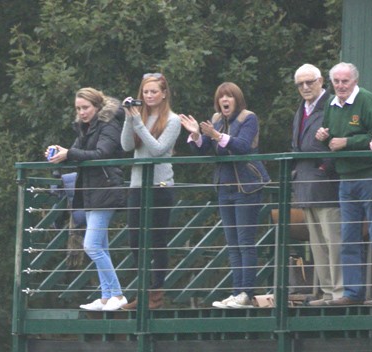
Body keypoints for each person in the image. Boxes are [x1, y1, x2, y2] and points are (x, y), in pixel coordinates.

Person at [317, 62, 372, 306]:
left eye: (345, 81)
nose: (340, 85)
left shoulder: (366, 99)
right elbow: (332, 139)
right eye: (336, 81)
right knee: (349, 237)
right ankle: (353, 293)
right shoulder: (331, 104)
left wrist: (347, 142)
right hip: (346, 177)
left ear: (355, 81)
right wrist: (324, 138)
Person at [181, 82, 270, 309]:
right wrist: (196, 135)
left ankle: (246, 293)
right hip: (225, 187)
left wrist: (216, 135)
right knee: (232, 243)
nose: (224, 100)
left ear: (237, 99)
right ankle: (236, 292)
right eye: (221, 97)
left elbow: (242, 146)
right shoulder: (217, 119)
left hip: (246, 187)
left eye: (229, 96)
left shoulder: (249, 118)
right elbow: (204, 149)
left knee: (245, 241)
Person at [47, 88, 128, 311]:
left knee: (91, 246)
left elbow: (101, 154)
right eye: (78, 109)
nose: (82, 112)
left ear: (97, 106)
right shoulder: (86, 127)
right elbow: (76, 152)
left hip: (106, 190)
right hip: (91, 192)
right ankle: (106, 296)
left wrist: (69, 153)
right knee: (101, 246)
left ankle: (118, 294)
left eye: (86, 108)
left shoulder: (109, 124)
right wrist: (59, 153)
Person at [120, 73, 182, 310]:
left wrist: (138, 123)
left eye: (154, 91)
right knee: (135, 240)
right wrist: (129, 119)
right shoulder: (140, 117)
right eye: (145, 92)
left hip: (160, 186)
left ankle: (156, 292)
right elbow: (126, 145)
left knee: (157, 239)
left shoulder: (173, 120)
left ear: (164, 93)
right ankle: (143, 290)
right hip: (137, 185)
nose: (149, 96)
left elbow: (158, 150)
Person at [291, 64, 343, 307]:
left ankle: (339, 292)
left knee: (333, 241)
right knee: (317, 244)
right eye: (300, 84)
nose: (305, 87)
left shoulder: (332, 105)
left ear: (321, 81)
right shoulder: (301, 109)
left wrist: (324, 168)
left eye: (309, 82)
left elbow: (337, 140)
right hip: (305, 184)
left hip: (326, 183)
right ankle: (327, 292)